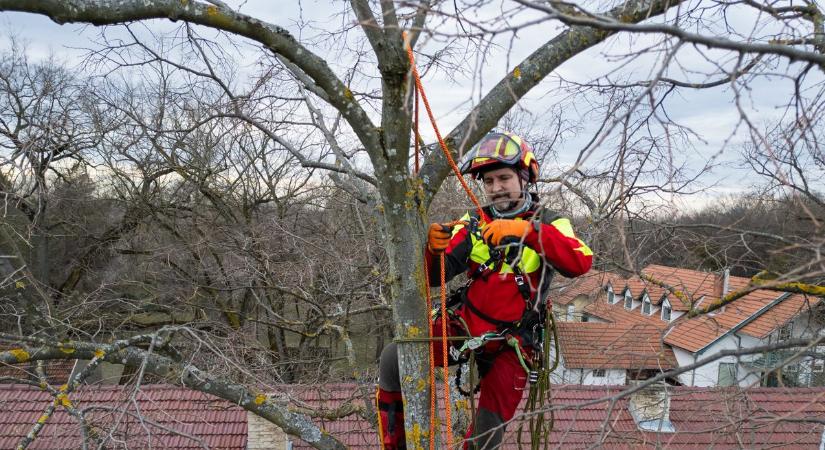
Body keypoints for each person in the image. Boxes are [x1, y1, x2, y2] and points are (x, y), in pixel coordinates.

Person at [376, 131, 593, 449]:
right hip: (467, 326)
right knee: (394, 357)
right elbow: (436, 276)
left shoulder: (550, 222)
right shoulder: (474, 222)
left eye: (504, 178)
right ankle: (395, 444)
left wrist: (527, 231)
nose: (496, 188)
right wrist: (432, 251)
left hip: (515, 343)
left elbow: (579, 261)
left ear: (524, 177)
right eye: (488, 181)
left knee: (486, 434)